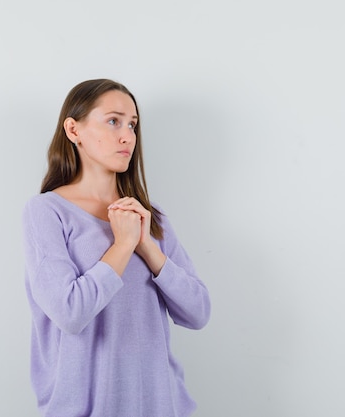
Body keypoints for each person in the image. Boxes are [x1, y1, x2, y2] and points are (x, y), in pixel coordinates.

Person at [22, 79, 211, 417]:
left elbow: (198, 312)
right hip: (83, 407)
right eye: (113, 121)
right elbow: (69, 312)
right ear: (73, 129)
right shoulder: (46, 212)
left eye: (132, 125)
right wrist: (123, 246)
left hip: (158, 405)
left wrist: (147, 246)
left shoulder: (149, 217)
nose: (127, 136)